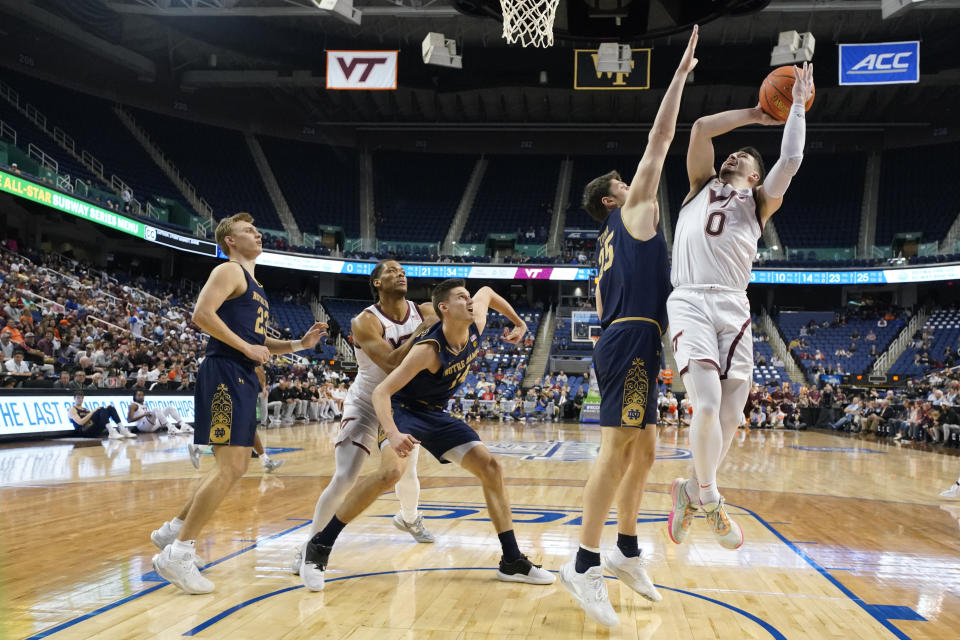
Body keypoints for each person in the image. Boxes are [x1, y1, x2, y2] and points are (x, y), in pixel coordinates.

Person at [557, 27, 698, 628]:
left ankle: (626, 548)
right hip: (630, 338)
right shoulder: (634, 212)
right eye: (625, 181)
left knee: (645, 451)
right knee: (618, 452)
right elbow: (661, 138)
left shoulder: (606, 245)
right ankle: (584, 563)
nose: (634, 181)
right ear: (615, 198)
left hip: (633, 336)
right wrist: (680, 78)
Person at [300, 280, 554, 591]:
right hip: (403, 410)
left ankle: (512, 560)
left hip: (434, 412)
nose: (470, 300)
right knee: (391, 472)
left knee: (491, 468)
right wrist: (392, 434)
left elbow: (487, 291)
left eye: (467, 296)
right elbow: (381, 392)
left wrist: (518, 322)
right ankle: (320, 545)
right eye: (462, 297)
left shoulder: (476, 323)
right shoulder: (427, 350)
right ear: (443, 309)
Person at [666, 60, 814, 550]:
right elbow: (703, 127)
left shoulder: (758, 204)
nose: (732, 158)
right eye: (730, 157)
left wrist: (795, 108)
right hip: (689, 298)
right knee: (705, 403)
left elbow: (790, 162)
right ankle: (708, 497)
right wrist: (755, 111)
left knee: (732, 409)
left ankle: (689, 487)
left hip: (734, 304)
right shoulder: (698, 186)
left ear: (755, 175)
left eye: (743, 161)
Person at [149, 212, 327, 595]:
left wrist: (298, 345)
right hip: (225, 372)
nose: (257, 233)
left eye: (256, 228)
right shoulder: (229, 271)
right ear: (230, 240)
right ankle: (178, 554)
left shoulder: (255, 285)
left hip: (241, 372)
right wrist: (246, 347)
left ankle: (173, 533)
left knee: (235, 466)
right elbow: (201, 314)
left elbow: (262, 342)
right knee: (230, 467)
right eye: (248, 230)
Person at [293, 260, 439, 578]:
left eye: (402, 271)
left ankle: (410, 519)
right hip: (365, 401)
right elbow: (391, 362)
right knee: (345, 476)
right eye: (390, 271)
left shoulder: (424, 308)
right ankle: (309, 547)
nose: (399, 273)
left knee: (406, 471)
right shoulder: (365, 321)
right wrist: (423, 329)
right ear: (376, 283)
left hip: (400, 403)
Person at [68, 391, 132, 439]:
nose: (80, 399)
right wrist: (92, 412)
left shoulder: (85, 409)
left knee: (110, 408)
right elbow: (80, 422)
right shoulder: (72, 409)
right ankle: (111, 431)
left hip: (93, 430)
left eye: (81, 398)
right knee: (100, 409)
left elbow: (94, 418)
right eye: (78, 398)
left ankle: (122, 429)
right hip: (83, 431)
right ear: (74, 398)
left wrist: (106, 410)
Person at [128, 388, 192, 434]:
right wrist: (144, 415)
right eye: (139, 395)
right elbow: (129, 420)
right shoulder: (133, 405)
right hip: (142, 427)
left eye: (142, 395)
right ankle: (170, 427)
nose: (141, 397)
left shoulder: (144, 404)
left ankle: (182, 424)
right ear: (134, 396)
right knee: (155, 409)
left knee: (169, 408)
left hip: (151, 427)